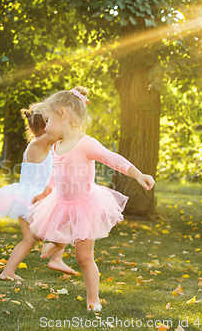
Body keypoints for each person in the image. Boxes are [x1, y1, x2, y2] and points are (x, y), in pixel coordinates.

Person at [27, 86, 155, 311]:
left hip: (84, 205)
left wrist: (138, 174)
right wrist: (46, 192)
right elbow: (55, 172)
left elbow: (113, 159)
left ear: (63, 114)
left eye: (47, 121)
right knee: (36, 232)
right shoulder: (56, 146)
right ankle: (58, 242)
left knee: (84, 258)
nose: (45, 128)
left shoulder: (86, 143)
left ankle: (93, 300)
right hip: (60, 202)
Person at [0, 102, 77, 280]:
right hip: (34, 199)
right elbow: (63, 133)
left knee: (30, 240)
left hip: (28, 198)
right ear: (47, 124)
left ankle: (8, 272)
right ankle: (56, 254)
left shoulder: (40, 143)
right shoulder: (41, 142)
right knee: (66, 224)